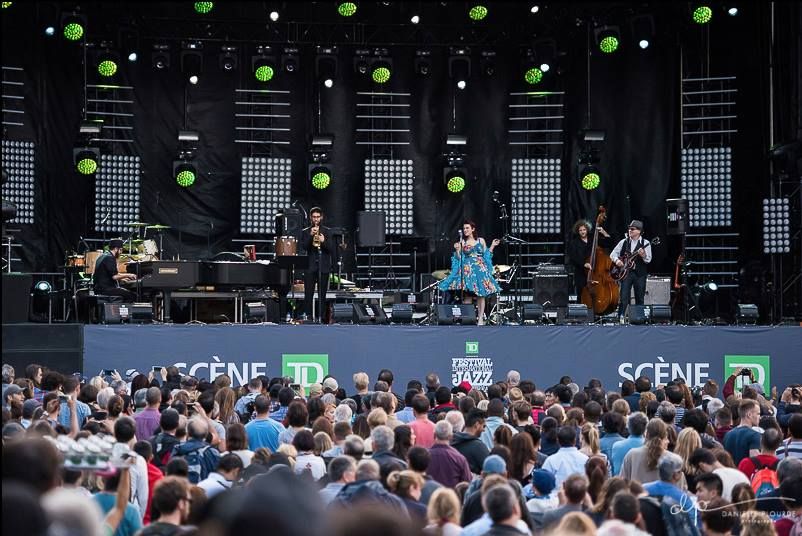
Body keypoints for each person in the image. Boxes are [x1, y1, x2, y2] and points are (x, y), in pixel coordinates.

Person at [437, 220, 502, 325]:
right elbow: (459, 259)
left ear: (473, 229)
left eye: (467, 228)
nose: (465, 230)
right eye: (464, 228)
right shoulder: (463, 242)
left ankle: (480, 319)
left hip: (480, 271)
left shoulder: (481, 240)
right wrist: (457, 250)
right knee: (467, 295)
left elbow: (486, 256)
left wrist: (493, 246)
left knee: (481, 295)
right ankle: (469, 319)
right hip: (468, 272)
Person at [609, 220, 652, 318]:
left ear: (639, 231)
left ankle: (639, 318)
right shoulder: (624, 241)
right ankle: (621, 317)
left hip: (640, 274)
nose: (630, 230)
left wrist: (643, 255)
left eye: (632, 229)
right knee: (623, 297)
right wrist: (617, 261)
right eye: (629, 229)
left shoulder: (646, 243)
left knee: (639, 297)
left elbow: (648, 260)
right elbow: (613, 254)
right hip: (626, 274)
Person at [302, 206, 335, 322]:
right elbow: (304, 247)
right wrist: (310, 236)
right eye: (314, 217)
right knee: (308, 294)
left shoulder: (327, 231)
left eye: (318, 217)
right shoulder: (306, 231)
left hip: (323, 266)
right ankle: (308, 317)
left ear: (321, 217)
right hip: (310, 266)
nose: (316, 219)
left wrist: (323, 241)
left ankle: (321, 317)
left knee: (322, 294)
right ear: (311, 218)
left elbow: (331, 249)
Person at [567, 219, 611, 297]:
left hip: (595, 271)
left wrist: (604, 232)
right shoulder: (574, 243)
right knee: (582, 294)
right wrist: (584, 264)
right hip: (581, 273)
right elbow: (573, 258)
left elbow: (608, 243)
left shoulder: (593, 239)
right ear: (578, 232)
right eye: (580, 230)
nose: (582, 232)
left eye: (584, 229)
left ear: (587, 230)